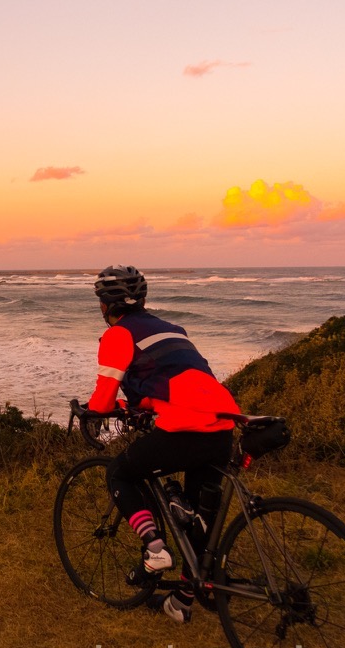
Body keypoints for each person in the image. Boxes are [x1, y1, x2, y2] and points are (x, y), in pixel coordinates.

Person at [86, 265, 240, 623]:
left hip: (186, 427)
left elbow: (102, 401)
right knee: (199, 521)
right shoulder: (174, 329)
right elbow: (177, 379)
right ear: (142, 299)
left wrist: (91, 412)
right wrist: (143, 406)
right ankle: (183, 601)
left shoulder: (118, 334)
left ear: (106, 305)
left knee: (120, 472)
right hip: (222, 422)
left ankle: (155, 548)